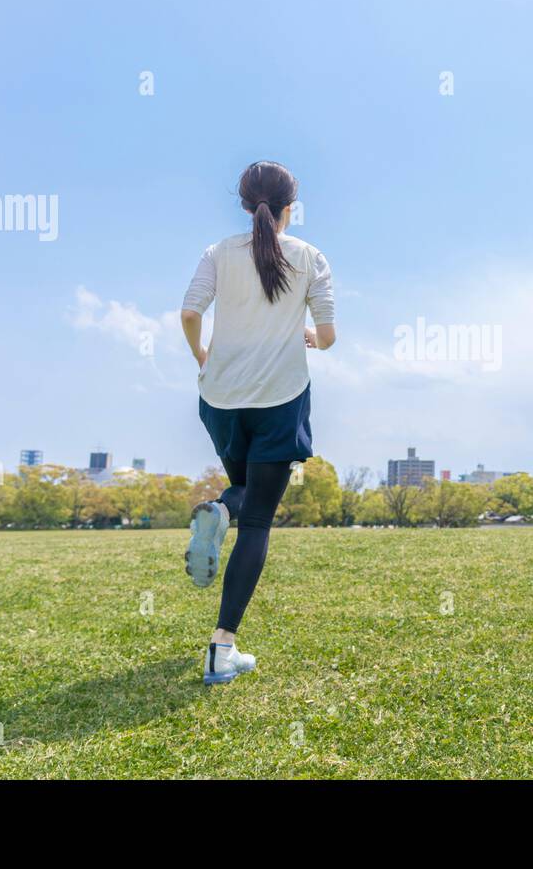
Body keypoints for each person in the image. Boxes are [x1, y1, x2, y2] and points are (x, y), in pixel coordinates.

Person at [180, 161, 336, 685]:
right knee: (261, 519)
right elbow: (329, 334)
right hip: (279, 398)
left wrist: (202, 355)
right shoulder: (310, 257)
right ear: (291, 205)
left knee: (244, 489)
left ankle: (223, 508)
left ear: (246, 205)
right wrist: (311, 337)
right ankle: (222, 648)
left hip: (220, 398)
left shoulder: (217, 253)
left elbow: (188, 312)